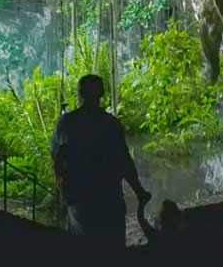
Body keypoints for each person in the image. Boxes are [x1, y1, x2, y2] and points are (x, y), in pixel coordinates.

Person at [50, 74, 150, 249]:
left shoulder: (66, 123)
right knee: (112, 251)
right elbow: (125, 163)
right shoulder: (111, 124)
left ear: (79, 94)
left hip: (80, 201)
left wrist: (64, 192)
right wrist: (139, 191)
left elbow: (57, 160)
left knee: (83, 251)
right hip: (109, 200)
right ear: (102, 93)